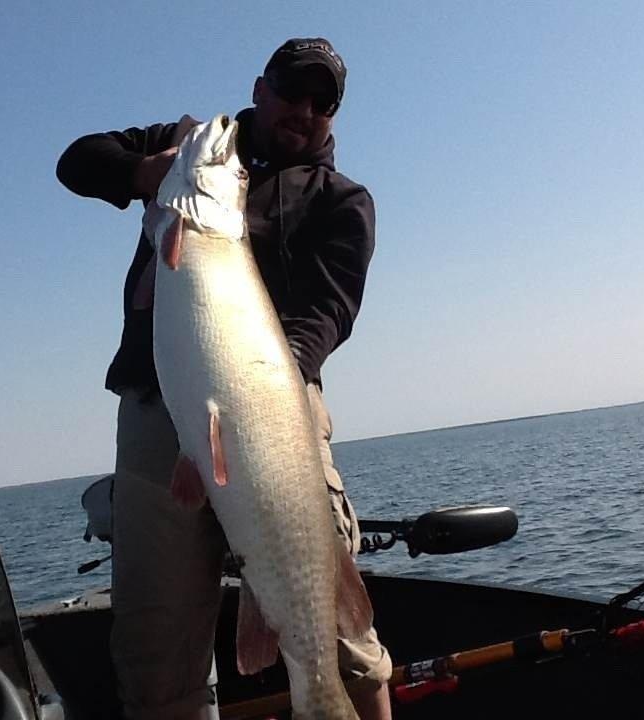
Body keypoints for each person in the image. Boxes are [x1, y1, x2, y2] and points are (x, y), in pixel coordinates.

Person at [57, 37, 392, 720]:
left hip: (275, 408)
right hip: (159, 415)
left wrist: (259, 387)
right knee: (156, 654)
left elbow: (327, 315)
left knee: (344, 643)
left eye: (322, 101)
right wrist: (142, 172)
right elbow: (77, 162)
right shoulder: (192, 148)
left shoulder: (342, 201)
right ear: (260, 88)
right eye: (292, 90)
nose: (304, 109)